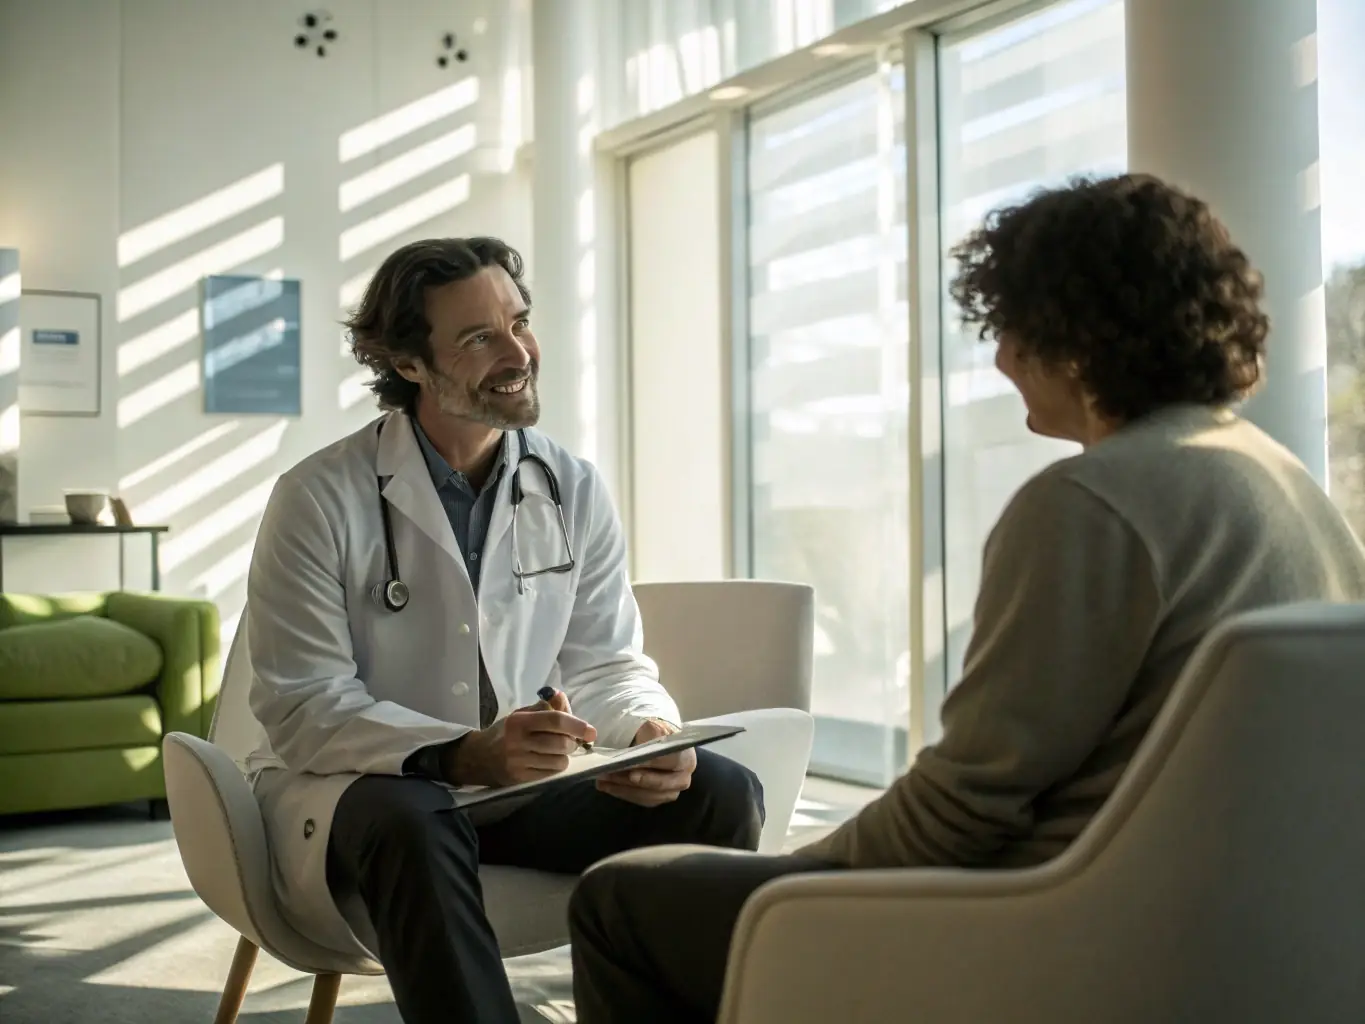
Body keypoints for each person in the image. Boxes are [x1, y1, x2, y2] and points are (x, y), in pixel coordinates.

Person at [567, 173, 1365, 1023]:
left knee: (622, 900)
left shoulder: (1090, 503)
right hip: (1226, 927)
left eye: (1007, 328)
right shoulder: (1282, 481)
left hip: (1052, 926)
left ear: (1071, 334)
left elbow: (966, 806)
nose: (1000, 360)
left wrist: (798, 876)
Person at [227, 237, 765, 1024]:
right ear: (409, 363)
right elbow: (303, 708)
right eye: (478, 337)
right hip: (359, 796)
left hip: (516, 792)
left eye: (518, 322)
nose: (517, 352)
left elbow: (608, 661)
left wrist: (651, 730)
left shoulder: (570, 484)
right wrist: (462, 752)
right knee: (418, 817)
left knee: (716, 791)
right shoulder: (316, 498)